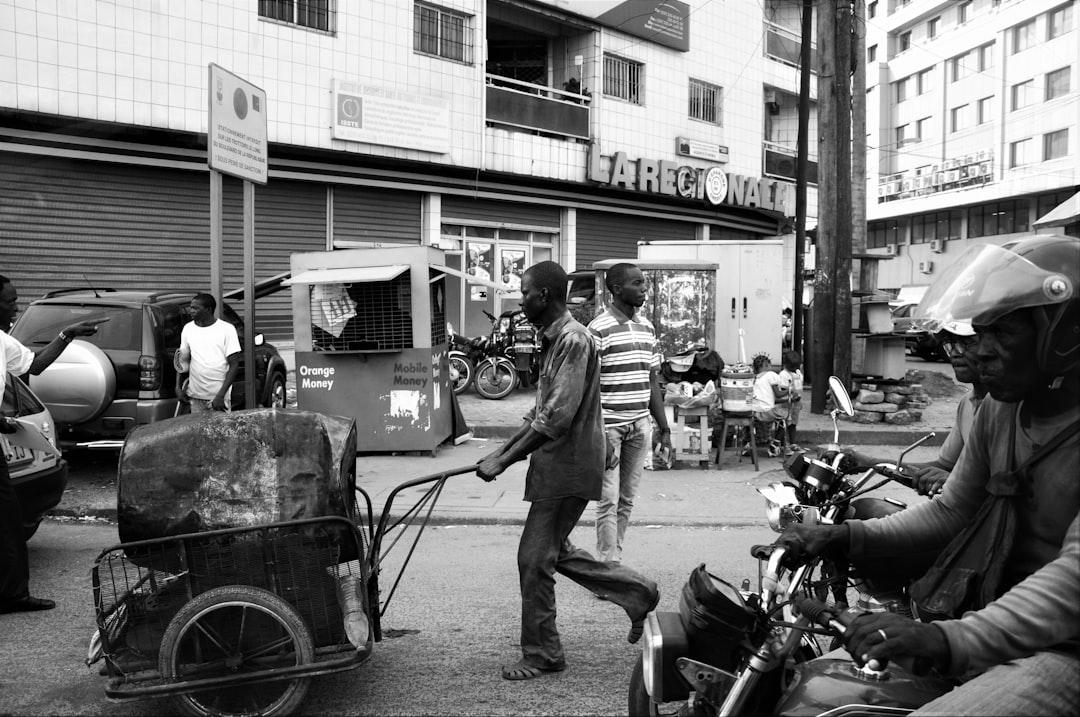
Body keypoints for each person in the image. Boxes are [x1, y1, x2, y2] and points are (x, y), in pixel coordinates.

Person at [775, 235, 1080, 715]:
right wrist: (841, 534)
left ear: (1066, 333)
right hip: (989, 611)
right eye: (980, 333)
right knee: (823, 691)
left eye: (1002, 333)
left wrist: (943, 638)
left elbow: (1073, 580)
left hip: (1064, 649)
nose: (979, 353)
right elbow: (952, 510)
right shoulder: (1000, 412)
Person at [476, 261, 660, 681]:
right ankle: (637, 592)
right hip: (560, 463)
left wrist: (504, 460)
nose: (520, 299)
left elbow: (555, 418)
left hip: (569, 464)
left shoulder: (574, 340)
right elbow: (540, 411)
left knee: (534, 559)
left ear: (543, 295)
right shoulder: (557, 338)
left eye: (524, 292)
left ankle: (542, 653)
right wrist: (501, 451)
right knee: (554, 551)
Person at [1, 274, 106, 613]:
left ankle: (12, 595)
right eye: (9, 301)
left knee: (8, 520)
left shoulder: (2, 341)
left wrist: (68, 334)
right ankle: (11, 595)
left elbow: (36, 365)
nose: (14, 308)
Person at [587, 263, 672, 563]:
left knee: (626, 499)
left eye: (645, 283)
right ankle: (607, 565)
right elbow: (589, 387)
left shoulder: (647, 328)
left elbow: (652, 381)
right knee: (607, 500)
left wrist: (664, 427)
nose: (644, 289)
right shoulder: (598, 329)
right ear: (616, 289)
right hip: (609, 428)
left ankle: (614, 558)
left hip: (640, 426)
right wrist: (599, 433)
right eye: (637, 283)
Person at [176, 293, 241, 413]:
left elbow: (234, 364)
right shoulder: (188, 329)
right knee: (198, 431)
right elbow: (182, 360)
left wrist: (221, 395)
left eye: (196, 308)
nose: (191, 311)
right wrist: (178, 387)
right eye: (191, 307)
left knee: (219, 431)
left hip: (218, 396)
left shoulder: (226, 329)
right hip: (196, 395)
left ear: (208, 309)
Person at [777, 349, 803, 450]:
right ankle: (778, 442)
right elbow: (783, 389)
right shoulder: (783, 374)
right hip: (786, 403)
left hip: (796, 403)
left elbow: (799, 386)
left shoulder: (798, 373)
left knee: (793, 423)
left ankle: (793, 443)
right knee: (783, 423)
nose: (794, 369)